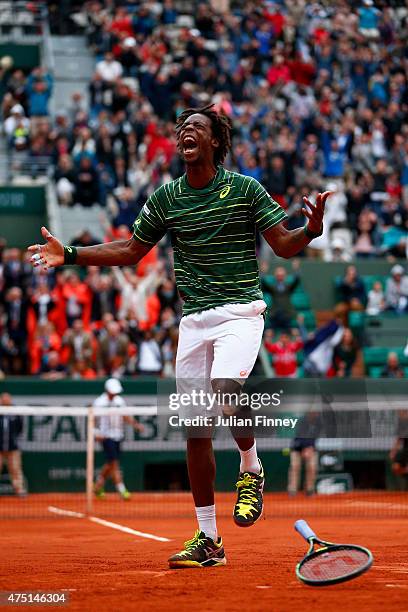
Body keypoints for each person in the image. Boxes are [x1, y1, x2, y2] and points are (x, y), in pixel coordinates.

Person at [28, 104, 331, 568]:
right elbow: (131, 251)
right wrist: (69, 254)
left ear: (214, 142)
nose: (185, 132)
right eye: (181, 128)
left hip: (240, 313)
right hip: (194, 321)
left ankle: (251, 468)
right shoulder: (167, 197)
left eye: (196, 128)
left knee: (226, 388)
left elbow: (283, 245)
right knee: (195, 430)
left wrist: (309, 229)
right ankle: (209, 540)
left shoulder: (246, 189)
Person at [93, 378, 144, 500]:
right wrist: (95, 433)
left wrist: (135, 425)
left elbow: (125, 416)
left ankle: (98, 486)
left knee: (110, 463)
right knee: (114, 463)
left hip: (118, 436)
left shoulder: (119, 401)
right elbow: (93, 420)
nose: (114, 394)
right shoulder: (99, 402)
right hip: (105, 436)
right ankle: (122, 490)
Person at [288, 411, 322, 497]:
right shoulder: (302, 421)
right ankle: (292, 490)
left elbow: (316, 436)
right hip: (297, 447)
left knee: (312, 467)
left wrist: (309, 447)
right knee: (295, 467)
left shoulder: (318, 422)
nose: (315, 414)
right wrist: (304, 448)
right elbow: (300, 435)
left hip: (311, 447)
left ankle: (310, 489)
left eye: (316, 412)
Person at [0, 392, 26, 496]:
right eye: (3, 398)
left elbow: (20, 428)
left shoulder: (15, 412)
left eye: (8, 398)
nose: (6, 400)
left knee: (15, 469)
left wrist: (14, 440)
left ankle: (19, 489)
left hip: (13, 447)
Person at [389, 410, 408, 490]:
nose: (400, 414)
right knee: (395, 467)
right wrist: (393, 451)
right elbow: (399, 439)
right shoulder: (402, 426)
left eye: (403, 412)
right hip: (405, 451)